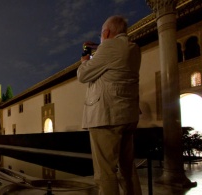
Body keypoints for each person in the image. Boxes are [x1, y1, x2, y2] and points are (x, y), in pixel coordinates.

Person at [77, 15, 142, 195]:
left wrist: (85, 59)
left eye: (101, 35)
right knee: (128, 169)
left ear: (106, 32)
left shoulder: (109, 46)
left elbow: (83, 75)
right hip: (128, 115)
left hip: (106, 116)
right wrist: (99, 49)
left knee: (105, 171)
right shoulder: (133, 48)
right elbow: (112, 64)